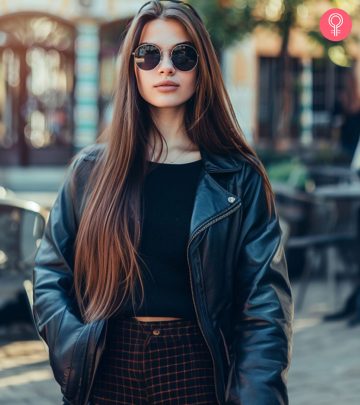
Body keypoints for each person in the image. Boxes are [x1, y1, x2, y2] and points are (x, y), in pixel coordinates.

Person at [32, 1, 294, 404]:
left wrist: (258, 396)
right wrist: (74, 348)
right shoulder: (90, 172)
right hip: (105, 369)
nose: (165, 67)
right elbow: (51, 275)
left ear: (202, 66)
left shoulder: (240, 178)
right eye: (149, 54)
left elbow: (263, 306)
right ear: (132, 68)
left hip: (196, 372)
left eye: (182, 55)